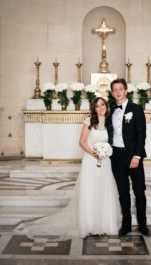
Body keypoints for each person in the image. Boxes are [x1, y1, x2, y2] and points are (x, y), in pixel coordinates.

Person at [15, 97, 120, 241]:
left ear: (106, 106)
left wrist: (106, 153)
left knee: (104, 190)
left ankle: (105, 224)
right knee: (90, 191)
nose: (101, 108)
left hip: (105, 162)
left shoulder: (110, 122)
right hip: (91, 161)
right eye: (97, 106)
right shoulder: (89, 121)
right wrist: (94, 154)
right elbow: (81, 142)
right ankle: (89, 224)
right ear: (94, 109)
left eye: (102, 104)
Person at [107, 78, 151, 237]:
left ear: (126, 91)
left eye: (120, 89)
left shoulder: (136, 109)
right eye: (115, 90)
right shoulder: (111, 111)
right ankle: (126, 224)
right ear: (112, 93)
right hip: (116, 157)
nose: (118, 92)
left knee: (139, 191)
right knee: (123, 193)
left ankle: (142, 224)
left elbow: (141, 134)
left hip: (133, 156)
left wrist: (137, 156)